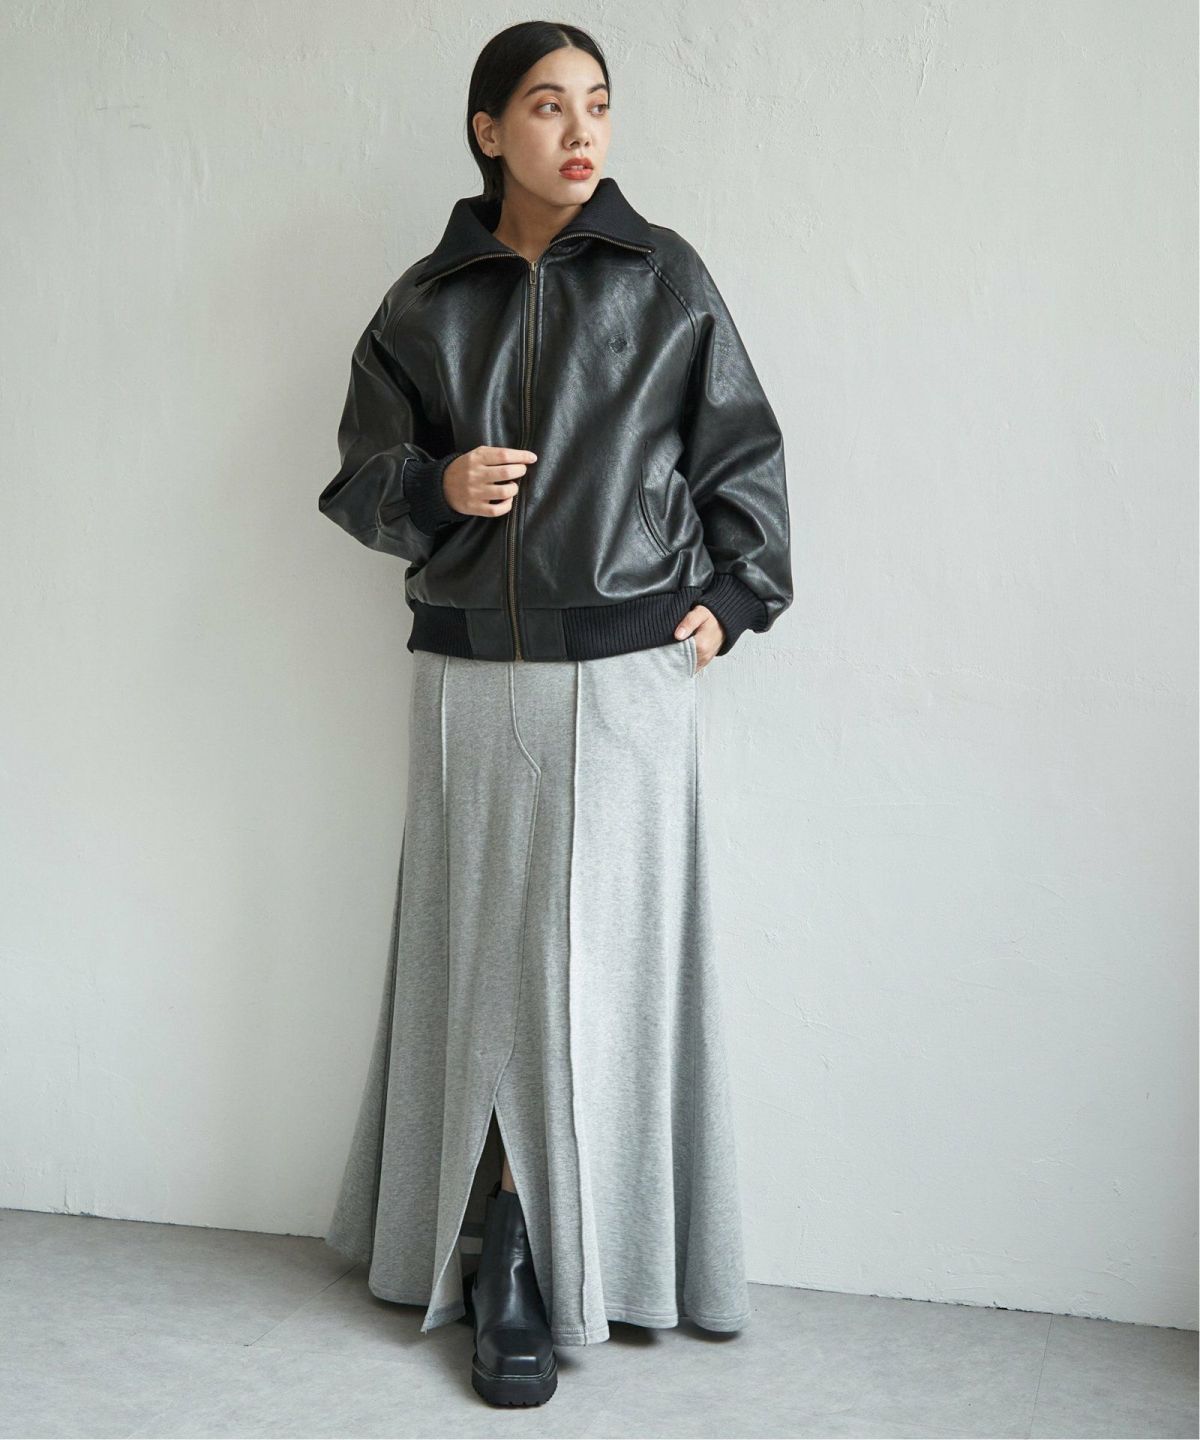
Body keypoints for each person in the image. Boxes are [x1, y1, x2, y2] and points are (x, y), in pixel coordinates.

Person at [317, 19, 792, 1410]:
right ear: (487, 131)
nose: (580, 130)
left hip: (630, 675)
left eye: (597, 104)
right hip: (470, 676)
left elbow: (742, 448)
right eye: (545, 106)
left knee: (599, 971)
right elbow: (358, 478)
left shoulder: (665, 277)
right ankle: (501, 1246)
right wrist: (434, 487)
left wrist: (740, 592)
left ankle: (555, 1249)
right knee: (486, 970)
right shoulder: (423, 303)